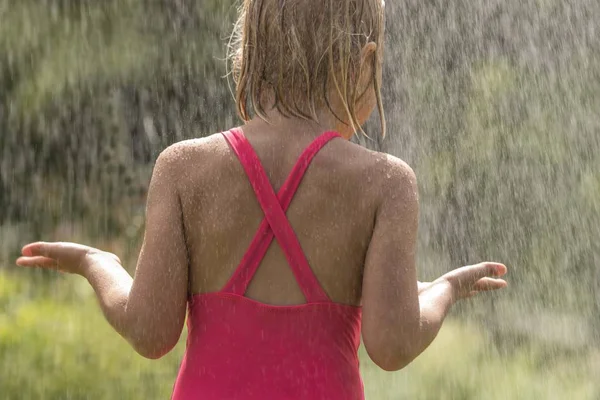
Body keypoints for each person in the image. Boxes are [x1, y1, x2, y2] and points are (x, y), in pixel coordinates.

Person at [16, 0, 508, 398]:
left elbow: (149, 331)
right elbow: (393, 343)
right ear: (365, 63)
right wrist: (443, 290)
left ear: (246, 55)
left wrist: (98, 263)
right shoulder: (384, 183)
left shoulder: (184, 169)